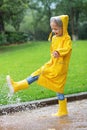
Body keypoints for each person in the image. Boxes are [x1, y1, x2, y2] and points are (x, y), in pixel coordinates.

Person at [6, 15, 72, 117]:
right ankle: (63, 110)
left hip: (60, 67)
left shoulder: (66, 38)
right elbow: (52, 51)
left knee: (56, 85)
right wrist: (54, 54)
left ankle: (17, 86)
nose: (54, 31)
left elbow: (67, 48)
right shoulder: (54, 38)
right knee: (55, 86)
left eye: (56, 29)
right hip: (52, 64)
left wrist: (58, 52)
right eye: (52, 29)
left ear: (63, 27)